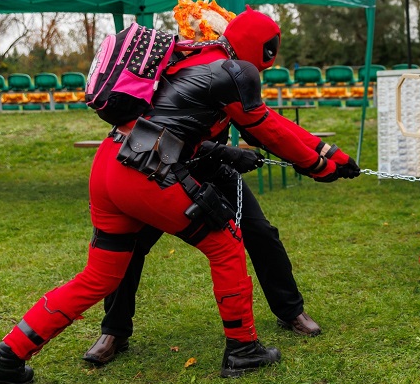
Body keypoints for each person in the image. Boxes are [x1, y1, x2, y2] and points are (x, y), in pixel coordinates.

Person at [0, 6, 360, 384]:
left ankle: (4, 359)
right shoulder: (235, 71)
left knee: (97, 276)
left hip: (110, 164)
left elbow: (248, 124)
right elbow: (268, 129)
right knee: (226, 245)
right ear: (266, 49)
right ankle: (243, 349)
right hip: (151, 170)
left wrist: (326, 155)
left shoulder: (188, 57)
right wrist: (322, 166)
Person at [82, 143, 323, 367]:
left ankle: (291, 311)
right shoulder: (160, 96)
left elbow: (261, 122)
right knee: (130, 246)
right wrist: (226, 151)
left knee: (261, 233)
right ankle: (114, 330)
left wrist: (314, 156)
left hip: (215, 170)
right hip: (162, 174)